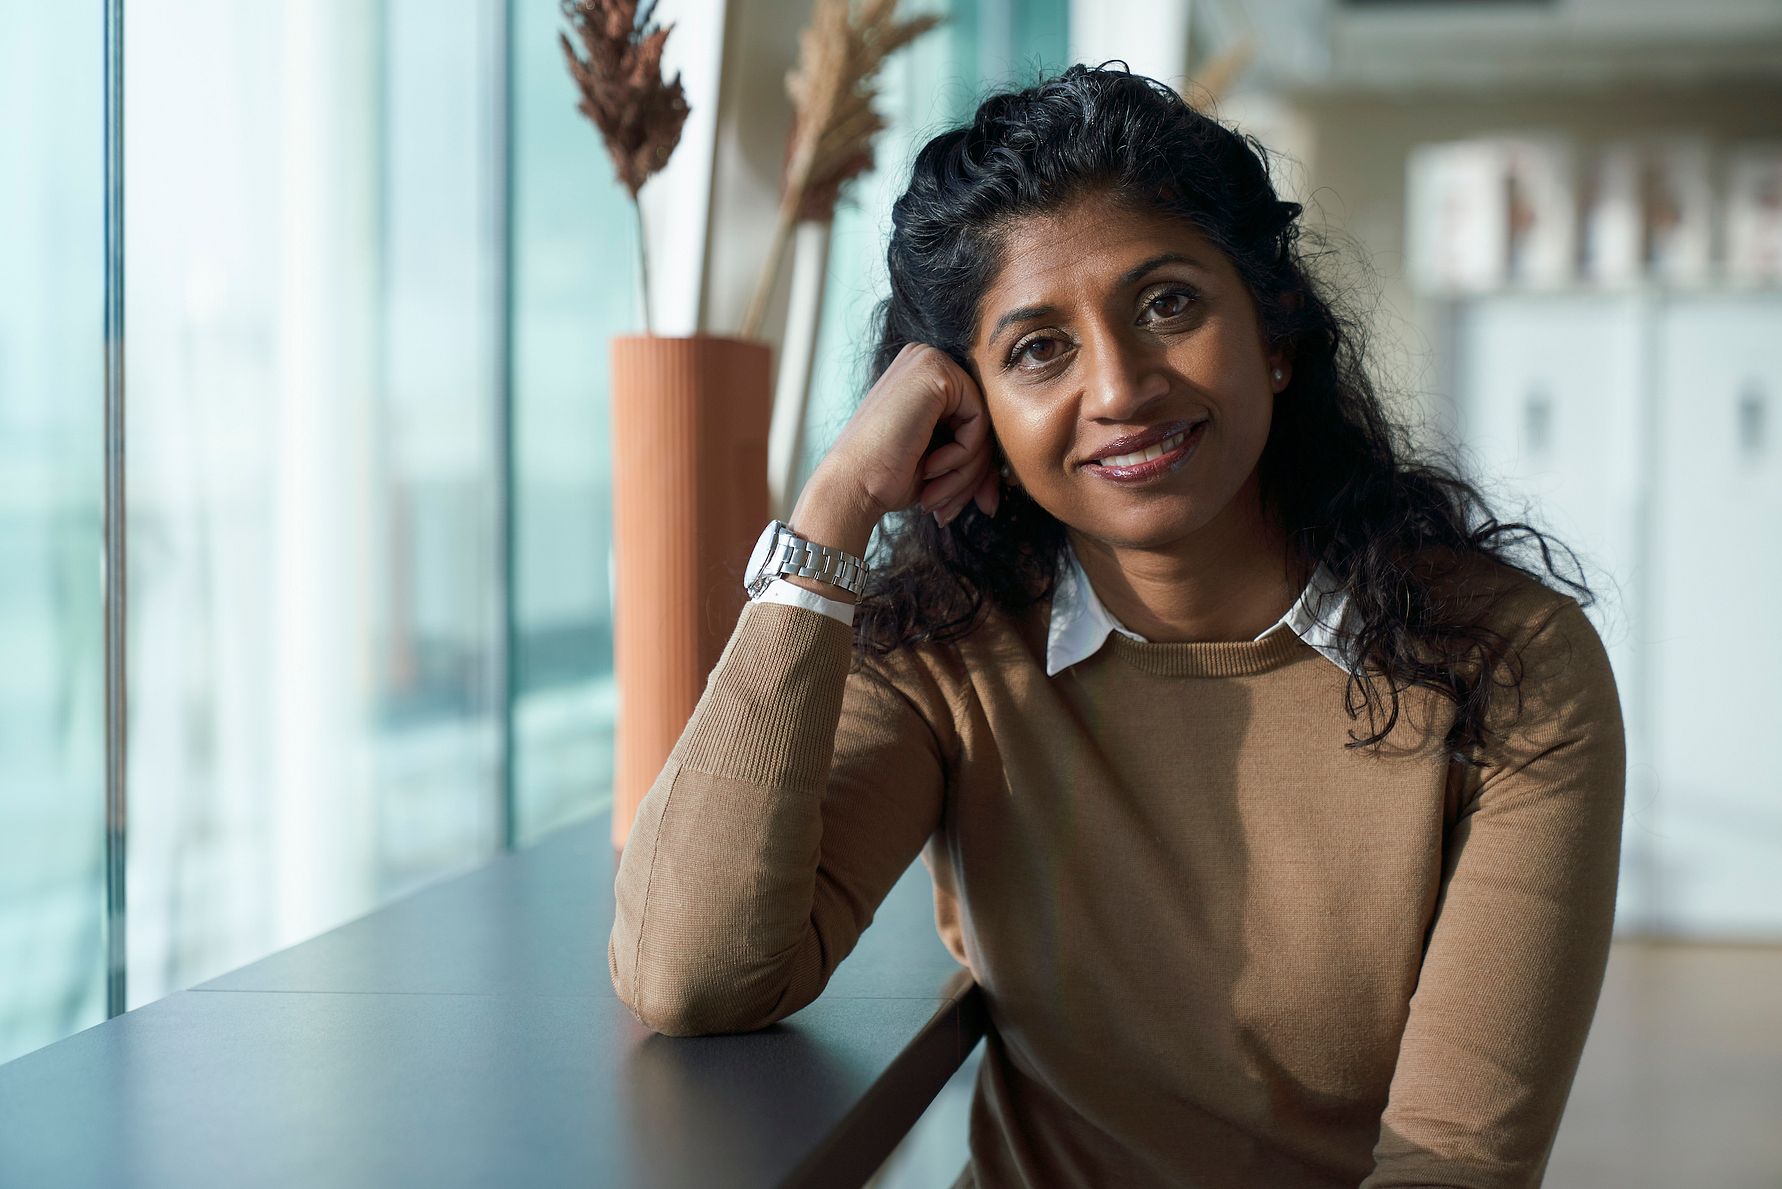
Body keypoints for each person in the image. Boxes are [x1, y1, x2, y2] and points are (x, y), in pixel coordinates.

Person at [609, 63, 1626, 1189]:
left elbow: (1455, 1165)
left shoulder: (1509, 666)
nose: (1121, 386)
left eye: (1168, 304)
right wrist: (836, 500)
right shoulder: (956, 647)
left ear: (1275, 331)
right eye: (1038, 348)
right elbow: (687, 973)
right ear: (973, 408)